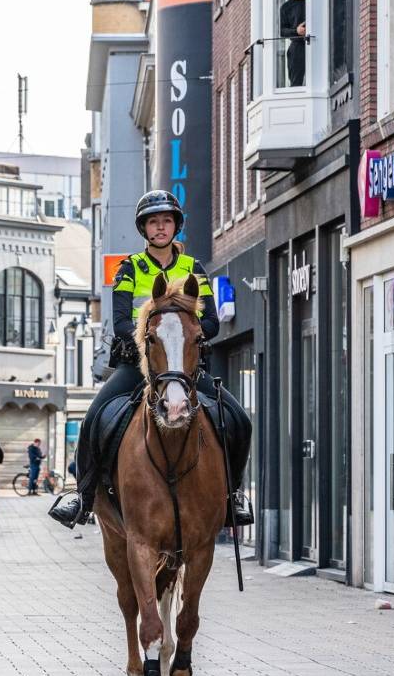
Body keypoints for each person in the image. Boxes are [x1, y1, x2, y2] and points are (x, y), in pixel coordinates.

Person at [50, 190, 255, 529]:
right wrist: (149, 342)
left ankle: (232, 496)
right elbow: (120, 322)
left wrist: (187, 337)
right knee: (93, 418)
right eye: (153, 222)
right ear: (144, 229)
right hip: (140, 364)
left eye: (167, 221)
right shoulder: (130, 267)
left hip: (185, 367)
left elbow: (211, 322)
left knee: (239, 420)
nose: (161, 227)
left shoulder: (193, 268)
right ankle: (82, 497)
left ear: (176, 226)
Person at [280, 0, 306, 87]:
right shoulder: (286, 7)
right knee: (296, 82)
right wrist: (296, 31)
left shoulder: (313, 2)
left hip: (316, 43)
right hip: (297, 46)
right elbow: (281, 31)